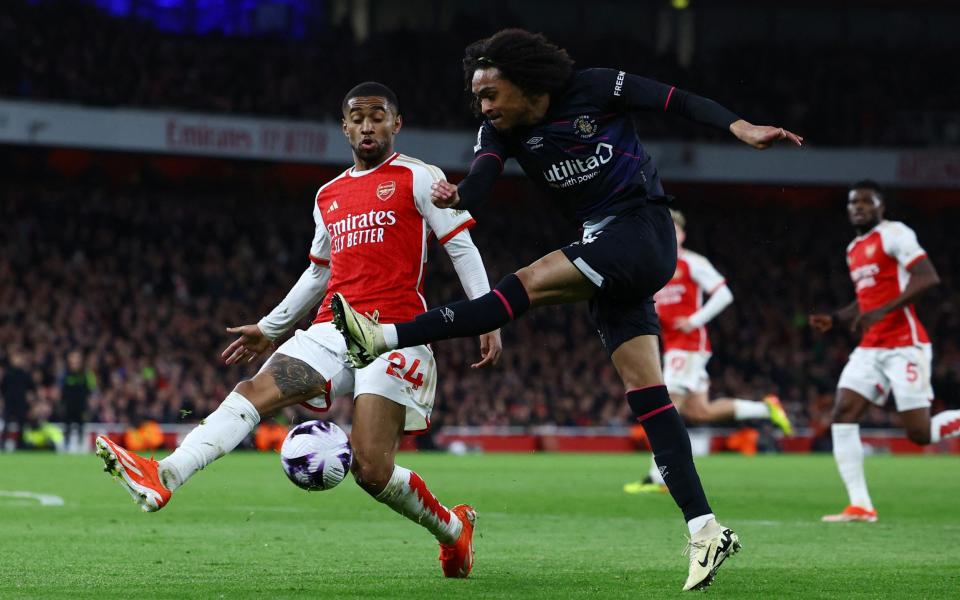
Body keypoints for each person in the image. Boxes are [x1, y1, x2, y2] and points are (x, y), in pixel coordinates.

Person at [332, 28, 802, 591]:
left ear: (524, 84)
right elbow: (483, 174)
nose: (483, 107)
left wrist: (738, 126)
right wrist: (462, 195)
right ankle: (705, 530)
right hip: (606, 251)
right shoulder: (499, 129)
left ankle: (384, 336)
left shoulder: (596, 87)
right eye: (477, 97)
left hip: (640, 229)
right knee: (650, 398)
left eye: (491, 94)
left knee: (518, 287)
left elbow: (674, 99)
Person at [95, 81, 502, 578]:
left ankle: (454, 531)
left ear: (397, 124)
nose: (368, 125)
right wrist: (271, 328)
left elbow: (460, 246)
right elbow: (319, 273)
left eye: (378, 116)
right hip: (333, 327)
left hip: (397, 331)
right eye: (358, 117)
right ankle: (165, 475)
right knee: (252, 391)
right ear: (344, 127)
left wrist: (488, 313)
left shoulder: (420, 178)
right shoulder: (328, 195)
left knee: (371, 471)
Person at [809, 180, 960, 523]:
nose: (858, 207)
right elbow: (865, 301)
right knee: (843, 413)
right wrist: (836, 318)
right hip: (871, 347)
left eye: (866, 201)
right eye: (852, 202)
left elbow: (927, 277)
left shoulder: (895, 234)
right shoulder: (853, 249)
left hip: (905, 344)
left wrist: (885, 310)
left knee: (919, 434)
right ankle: (861, 505)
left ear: (882, 206)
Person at [624, 209, 793, 494]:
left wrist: (695, 320)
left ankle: (658, 477)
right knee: (700, 411)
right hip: (674, 346)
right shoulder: (655, 268)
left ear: (683, 235)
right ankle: (765, 408)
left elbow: (724, 294)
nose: (670, 236)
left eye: (675, 231)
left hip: (689, 346)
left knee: (664, 406)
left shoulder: (692, 263)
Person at [1, 348, 35, 451]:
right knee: (6, 423)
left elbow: (32, 388)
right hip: (9, 402)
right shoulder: (8, 374)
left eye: (19, 358)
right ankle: (3, 443)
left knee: (22, 424)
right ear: (11, 359)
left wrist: (31, 397)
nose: (17, 360)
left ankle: (20, 444)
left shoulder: (24, 374)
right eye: (15, 358)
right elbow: (2, 388)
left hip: (21, 403)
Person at [60, 350, 94, 453]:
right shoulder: (65, 374)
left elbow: (91, 389)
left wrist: (90, 402)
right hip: (68, 406)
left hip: (82, 406)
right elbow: (60, 390)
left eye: (77, 359)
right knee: (67, 426)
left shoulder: (86, 374)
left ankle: (80, 447)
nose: (75, 361)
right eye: (73, 359)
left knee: (81, 426)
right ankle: (66, 446)